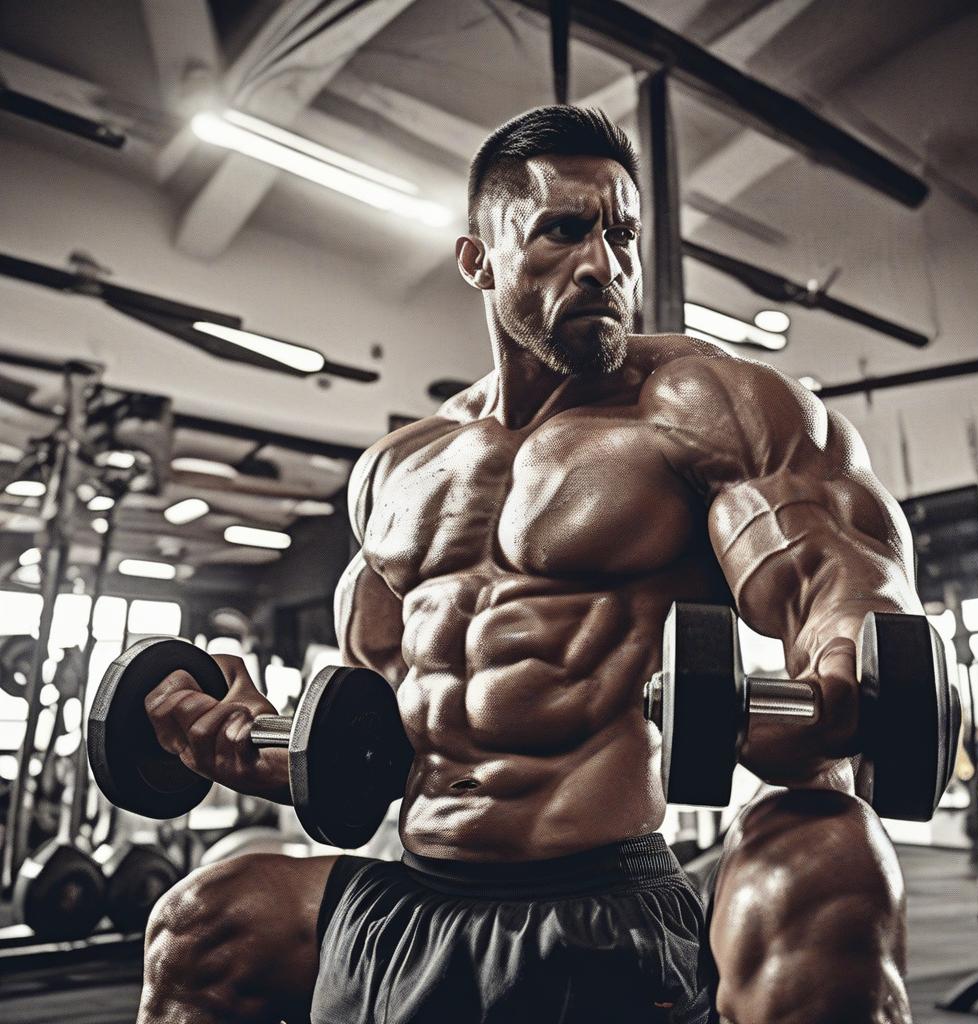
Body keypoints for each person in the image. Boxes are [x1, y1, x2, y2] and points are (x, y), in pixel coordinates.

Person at [137, 106, 917, 1023]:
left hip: (607, 904)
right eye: (564, 229)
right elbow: (375, 729)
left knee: (832, 853)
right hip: (420, 893)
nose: (605, 264)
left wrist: (838, 671)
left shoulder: (704, 405)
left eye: (622, 234)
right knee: (202, 922)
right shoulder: (397, 469)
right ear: (479, 259)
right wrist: (254, 745)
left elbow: (840, 577)